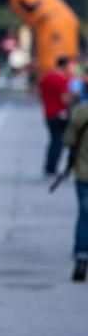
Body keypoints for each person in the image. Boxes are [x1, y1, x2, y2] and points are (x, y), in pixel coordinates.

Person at [62, 100, 88, 282]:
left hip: (83, 172)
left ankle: (80, 258)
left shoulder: (81, 111)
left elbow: (68, 140)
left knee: (85, 216)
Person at [39, 55, 75, 177]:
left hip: (48, 113)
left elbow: (40, 94)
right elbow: (64, 99)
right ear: (64, 66)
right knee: (60, 141)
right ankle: (53, 167)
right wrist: (74, 96)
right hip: (60, 114)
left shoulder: (46, 78)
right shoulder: (62, 80)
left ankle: (50, 166)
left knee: (54, 140)